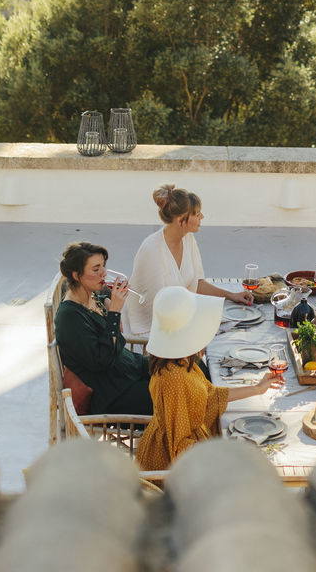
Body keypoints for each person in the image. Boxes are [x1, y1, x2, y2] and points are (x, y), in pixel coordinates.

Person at [135, 285, 283, 470]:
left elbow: (210, 396)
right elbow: (180, 446)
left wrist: (257, 389)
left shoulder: (179, 361)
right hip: (168, 471)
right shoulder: (175, 378)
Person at [122, 184, 254, 335]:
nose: (202, 217)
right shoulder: (152, 249)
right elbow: (158, 309)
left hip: (179, 325)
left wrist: (231, 295)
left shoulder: (188, 239)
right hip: (151, 336)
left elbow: (197, 283)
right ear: (180, 221)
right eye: (197, 214)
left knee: (239, 328)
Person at [54, 241, 152, 416]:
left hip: (129, 369)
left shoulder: (90, 293)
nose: (104, 273)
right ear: (77, 275)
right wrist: (114, 312)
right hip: (113, 393)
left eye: (104, 266)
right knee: (179, 392)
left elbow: (103, 293)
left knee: (191, 366)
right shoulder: (69, 317)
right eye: (96, 269)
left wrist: (107, 299)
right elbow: (102, 361)